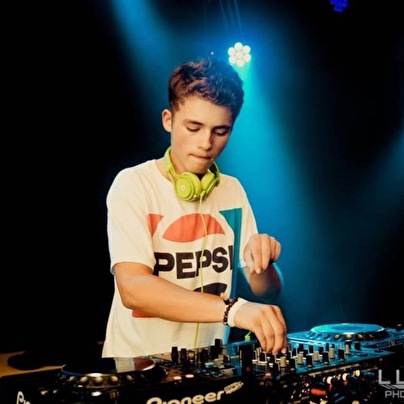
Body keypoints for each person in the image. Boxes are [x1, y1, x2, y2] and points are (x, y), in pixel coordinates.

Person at [102, 57, 287, 359]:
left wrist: (263, 263)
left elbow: (267, 290)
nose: (206, 143)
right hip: (136, 369)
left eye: (220, 131)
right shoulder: (133, 184)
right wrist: (233, 310)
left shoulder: (232, 190)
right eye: (193, 127)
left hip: (208, 368)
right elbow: (133, 288)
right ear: (168, 120)